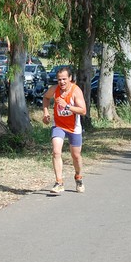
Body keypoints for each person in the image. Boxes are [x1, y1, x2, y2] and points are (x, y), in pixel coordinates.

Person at [42, 66, 87, 194]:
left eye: (64, 79)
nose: (61, 82)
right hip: (59, 125)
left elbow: (83, 110)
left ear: (70, 78)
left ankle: (78, 178)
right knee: (56, 152)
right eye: (59, 79)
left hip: (74, 127)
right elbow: (46, 98)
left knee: (76, 155)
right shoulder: (55, 89)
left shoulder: (75, 91)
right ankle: (59, 182)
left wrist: (67, 106)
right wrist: (46, 112)